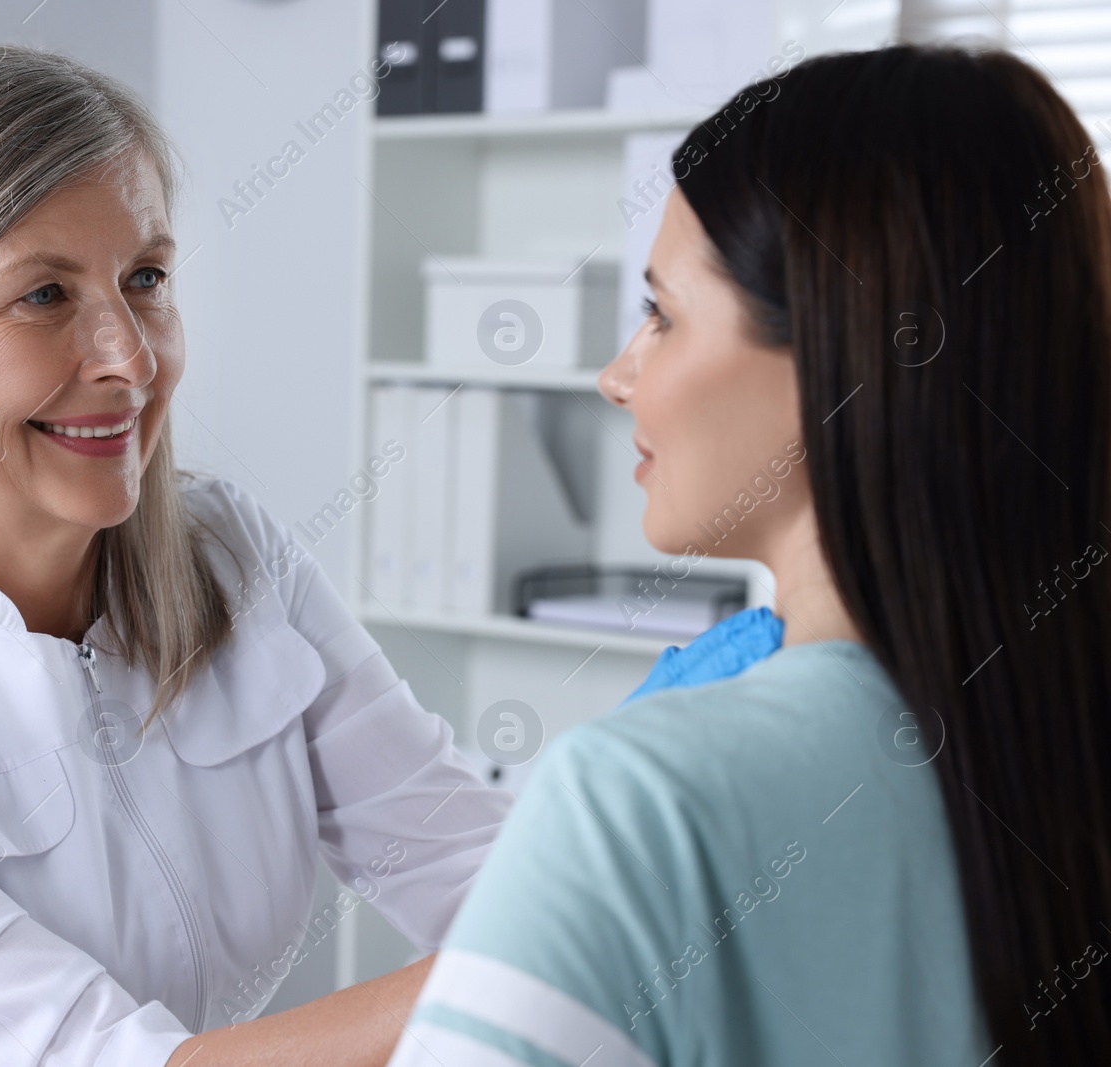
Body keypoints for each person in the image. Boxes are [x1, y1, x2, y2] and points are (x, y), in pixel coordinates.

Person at [0, 44, 511, 1067]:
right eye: (43, 297)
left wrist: (647, 845)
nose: (131, 358)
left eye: (144, 278)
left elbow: (474, 865)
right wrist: (548, 966)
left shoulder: (231, 559)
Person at [389, 43, 1111, 1066]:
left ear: (833, 353)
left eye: (660, 314)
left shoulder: (642, 797)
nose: (616, 374)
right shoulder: (1060, 752)